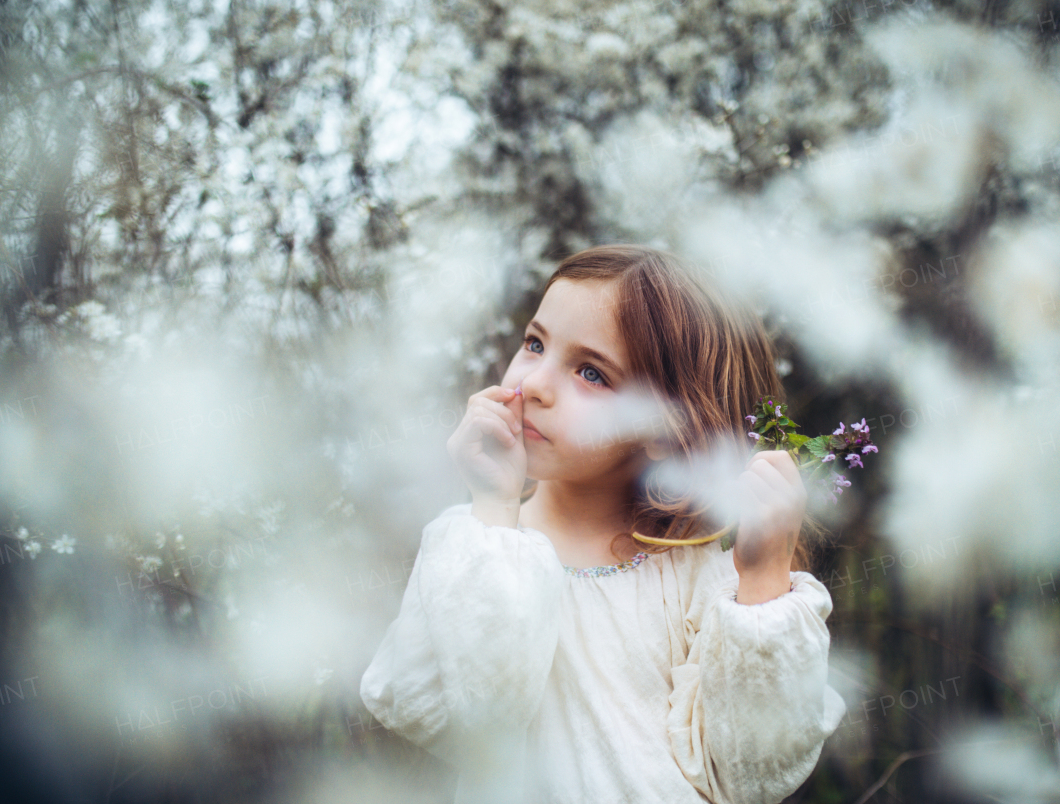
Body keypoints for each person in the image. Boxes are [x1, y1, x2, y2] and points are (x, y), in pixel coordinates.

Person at [359, 244, 846, 803]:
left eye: (591, 373)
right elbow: (470, 722)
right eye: (534, 343)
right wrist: (494, 510)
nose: (535, 384)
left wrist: (763, 581)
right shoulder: (468, 541)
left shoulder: (701, 573)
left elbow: (751, 772)